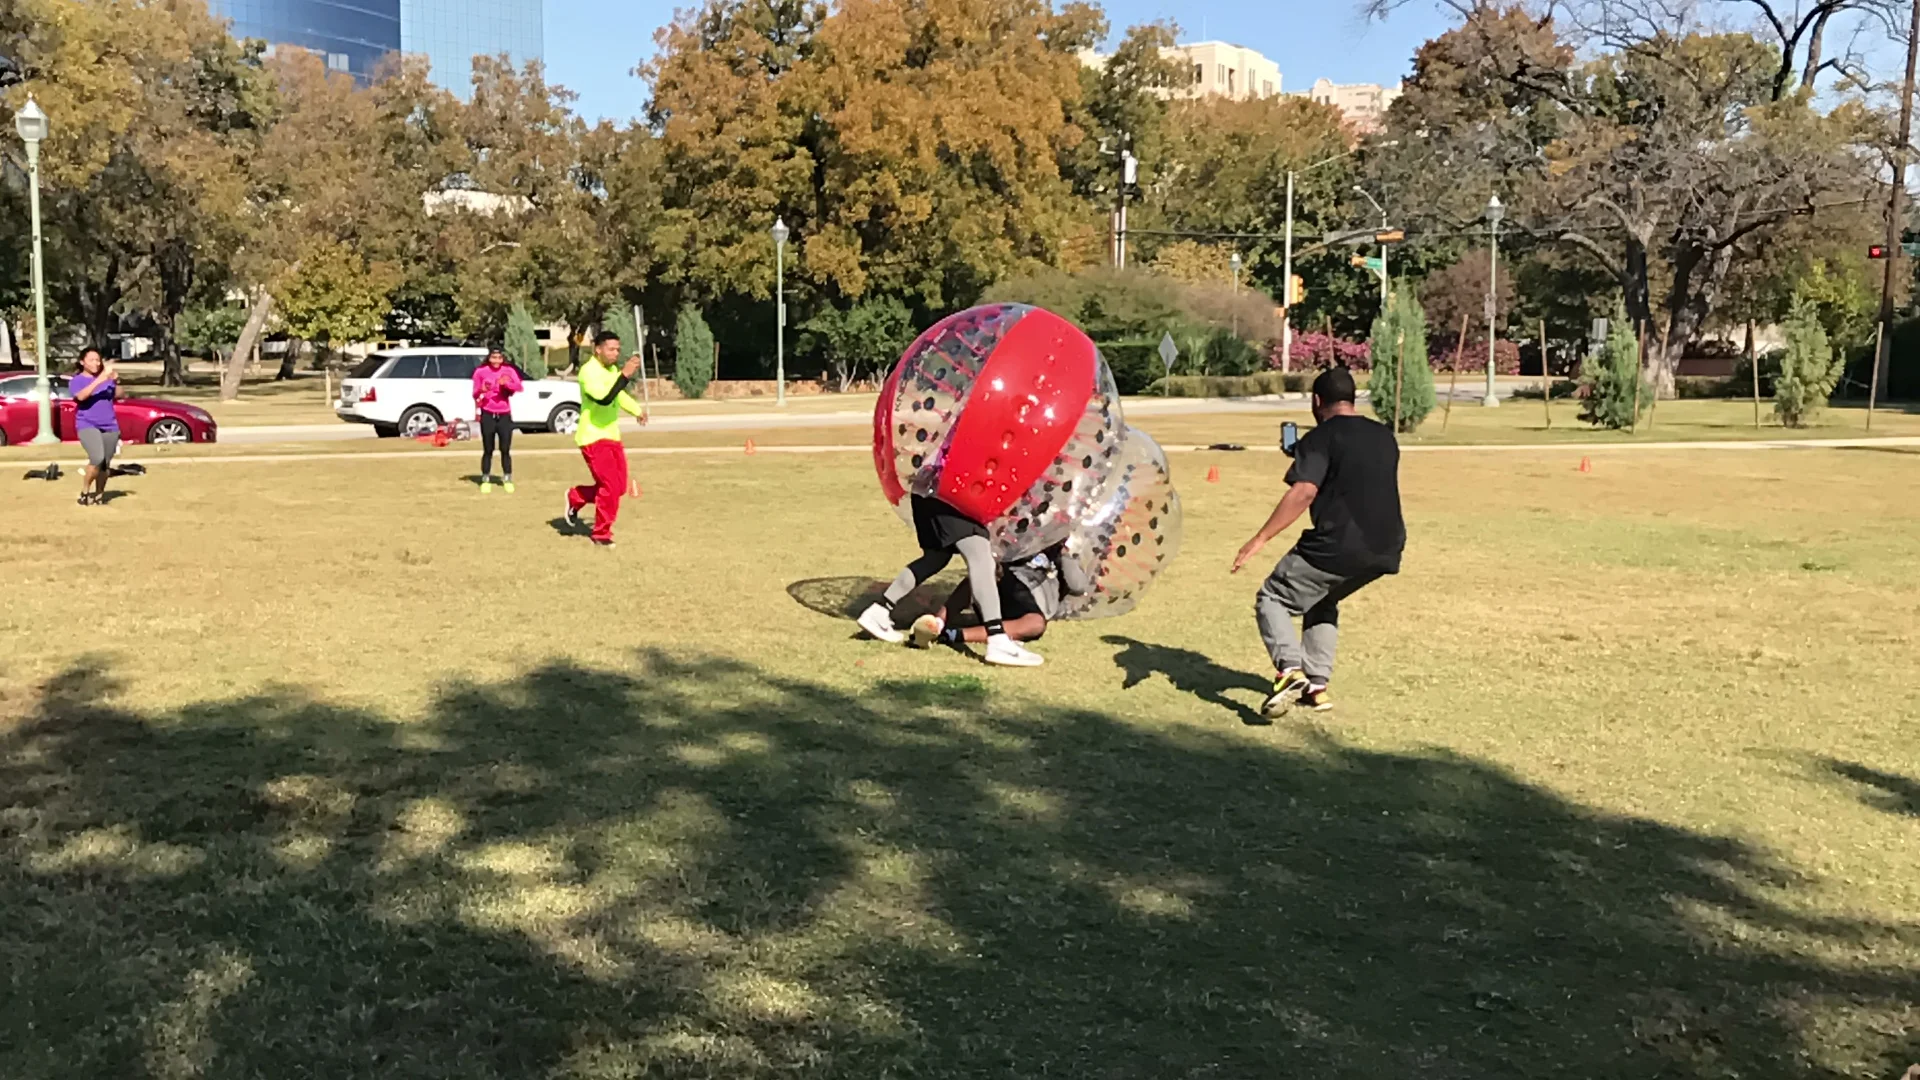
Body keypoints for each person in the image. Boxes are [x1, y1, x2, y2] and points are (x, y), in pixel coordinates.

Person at [1230, 366, 1404, 716]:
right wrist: (1303, 457)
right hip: (1387, 545)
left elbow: (1305, 491)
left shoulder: (1320, 438)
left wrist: (1260, 539)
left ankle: (1290, 671)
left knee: (1273, 597)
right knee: (1321, 599)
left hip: (1338, 543)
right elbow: (1348, 470)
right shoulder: (1384, 435)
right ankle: (1316, 686)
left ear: (1316, 401)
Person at [856, 496, 1044, 667]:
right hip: (955, 494)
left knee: (935, 558)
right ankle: (997, 639)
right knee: (981, 558)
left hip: (926, 493)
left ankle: (878, 611)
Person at [909, 543, 1092, 649]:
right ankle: (937, 622)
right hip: (1008, 582)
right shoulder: (1025, 538)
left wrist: (1064, 553)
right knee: (986, 571)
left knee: (1036, 625)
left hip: (1031, 605)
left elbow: (1078, 586)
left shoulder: (1061, 553)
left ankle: (951, 635)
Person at [564, 330, 646, 548]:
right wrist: (625, 375)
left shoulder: (611, 370)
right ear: (597, 349)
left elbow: (618, 395)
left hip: (611, 436)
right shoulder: (588, 372)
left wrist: (636, 410)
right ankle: (601, 534)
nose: (615, 353)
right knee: (609, 487)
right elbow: (603, 398)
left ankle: (577, 496)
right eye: (611, 349)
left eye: (617, 349)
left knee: (618, 488)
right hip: (592, 437)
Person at [69, 347, 120, 507]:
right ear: (82, 362)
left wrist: (115, 380)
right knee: (97, 458)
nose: (96, 363)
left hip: (110, 424)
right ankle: (85, 492)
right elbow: (81, 397)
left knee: (105, 464)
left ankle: (99, 495)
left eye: (98, 360)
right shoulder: (76, 380)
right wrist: (100, 379)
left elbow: (120, 395)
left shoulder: (106, 379)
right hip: (87, 424)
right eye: (92, 360)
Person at [471, 345, 523, 493]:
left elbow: (519, 387)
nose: (496, 360)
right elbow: (475, 393)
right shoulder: (481, 372)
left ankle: (507, 478)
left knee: (505, 449)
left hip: (504, 415)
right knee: (488, 449)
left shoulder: (508, 371)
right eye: (494, 357)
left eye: (499, 358)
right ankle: (485, 478)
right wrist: (483, 390)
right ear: (489, 358)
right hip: (488, 414)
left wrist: (506, 384)